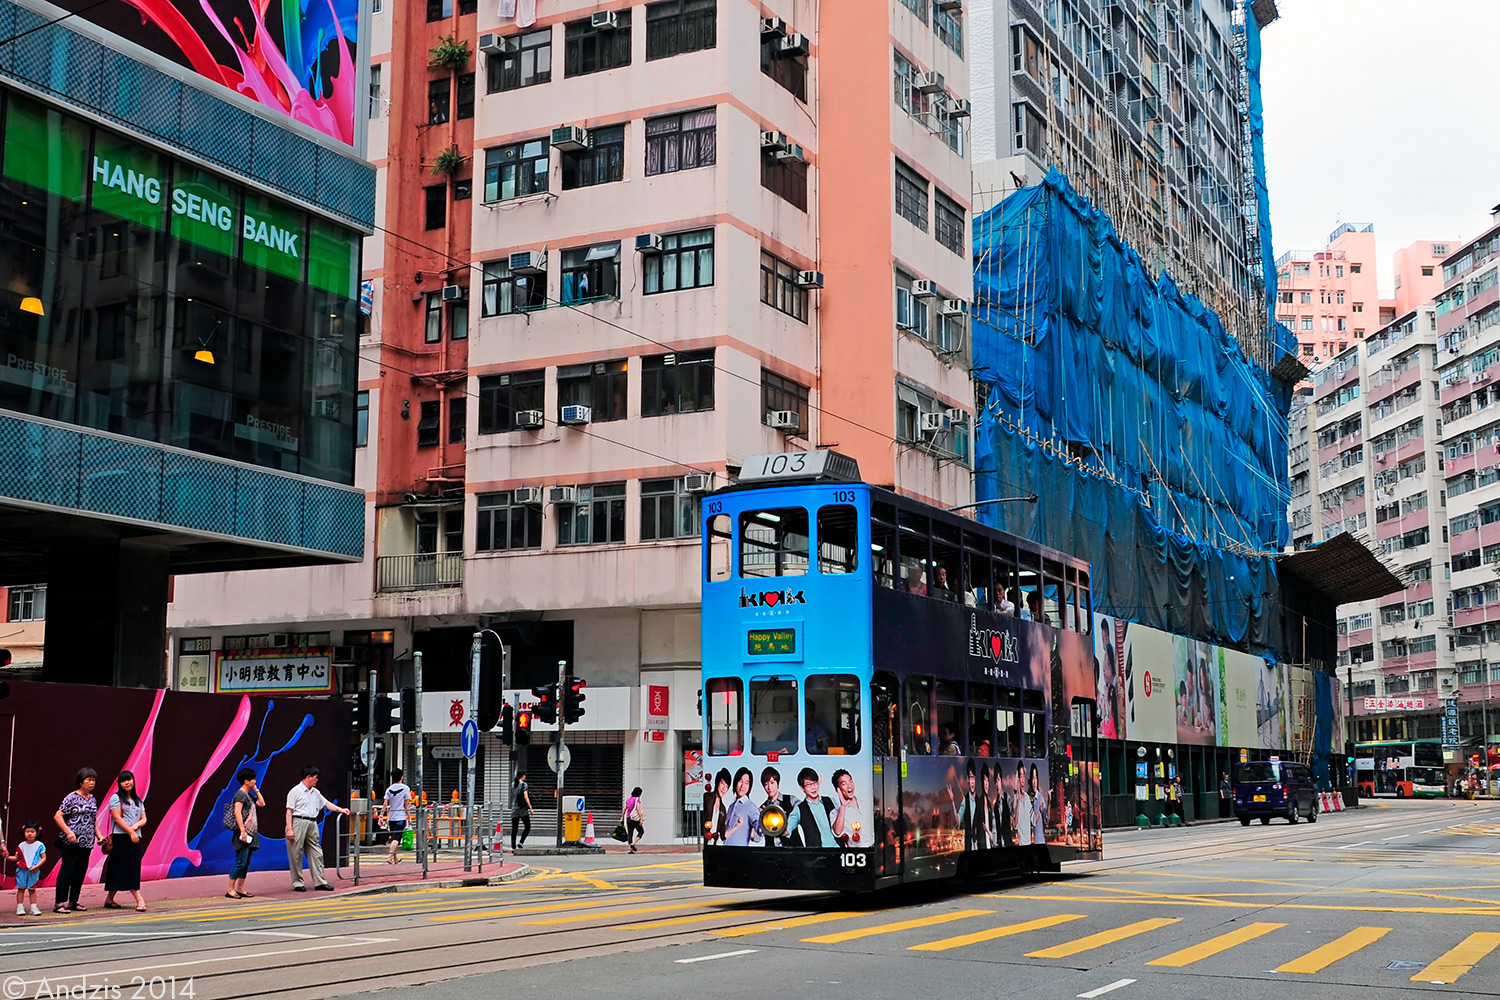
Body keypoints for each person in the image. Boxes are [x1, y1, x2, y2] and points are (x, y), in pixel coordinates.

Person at [285, 765, 350, 891]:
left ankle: (320, 881)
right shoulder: (295, 791)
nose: (317, 780)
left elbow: (326, 803)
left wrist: (341, 810)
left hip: (312, 822)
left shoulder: (316, 792)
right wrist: (289, 828)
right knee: (295, 853)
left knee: (316, 852)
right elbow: (289, 811)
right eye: (315, 777)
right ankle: (298, 882)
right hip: (298, 821)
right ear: (308, 777)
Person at [52, 767, 98, 913]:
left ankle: (73, 901)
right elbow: (58, 816)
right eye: (88, 780)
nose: (91, 783)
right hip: (72, 841)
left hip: (87, 841)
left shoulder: (92, 799)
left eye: (93, 780)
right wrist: (68, 832)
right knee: (67, 870)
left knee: (80, 871)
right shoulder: (71, 797)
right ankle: (59, 903)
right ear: (81, 782)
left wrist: (100, 835)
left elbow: (93, 820)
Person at [103, 770, 148, 912]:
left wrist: (136, 827)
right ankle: (139, 899)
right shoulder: (116, 798)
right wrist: (130, 831)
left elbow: (144, 818)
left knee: (132, 867)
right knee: (121, 867)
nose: (127, 783)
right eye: (123, 781)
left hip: (135, 837)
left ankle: (110, 899)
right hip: (121, 837)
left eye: (129, 779)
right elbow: (117, 818)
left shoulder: (138, 800)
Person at [227, 767, 263, 900]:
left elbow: (262, 803)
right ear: (246, 781)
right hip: (243, 833)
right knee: (240, 861)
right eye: (252, 779)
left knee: (246, 862)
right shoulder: (241, 794)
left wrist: (256, 790)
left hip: (251, 833)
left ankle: (241, 888)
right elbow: (237, 812)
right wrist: (242, 830)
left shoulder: (248, 794)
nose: (255, 781)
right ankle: (230, 889)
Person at [791, 768, 838, 848]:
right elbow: (788, 830)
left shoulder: (831, 800)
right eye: (809, 784)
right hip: (816, 856)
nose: (813, 787)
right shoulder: (799, 809)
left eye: (815, 783)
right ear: (802, 788)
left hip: (838, 852)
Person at [9, 822, 45, 916]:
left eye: (32, 832)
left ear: (37, 833)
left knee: (32, 889)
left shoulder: (40, 845)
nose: (29, 834)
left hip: (34, 870)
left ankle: (34, 907)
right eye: (27, 831)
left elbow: (44, 858)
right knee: (21, 889)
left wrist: (36, 866)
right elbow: (16, 858)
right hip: (22, 870)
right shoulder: (21, 845)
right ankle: (20, 907)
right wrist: (7, 857)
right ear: (24, 833)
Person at [757, 767, 796, 848]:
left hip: (793, 851)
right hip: (771, 854)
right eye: (766, 784)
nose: (769, 787)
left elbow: (805, 811)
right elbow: (757, 837)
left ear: (778, 783)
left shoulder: (790, 800)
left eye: (772, 783)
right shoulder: (762, 808)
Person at [831, 769, 868, 847]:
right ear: (838, 790)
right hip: (858, 853)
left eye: (850, 781)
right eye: (844, 784)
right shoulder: (835, 812)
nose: (849, 786)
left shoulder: (866, 803)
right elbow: (837, 832)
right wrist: (843, 807)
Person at [950, 759, 981, 851]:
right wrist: (952, 801)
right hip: (968, 845)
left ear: (975, 779)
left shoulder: (980, 801)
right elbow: (957, 821)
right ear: (967, 780)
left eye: (973, 778)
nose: (972, 782)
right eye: (970, 778)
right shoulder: (965, 801)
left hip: (979, 844)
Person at [722, 771, 759, 847]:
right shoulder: (731, 806)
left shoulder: (750, 806)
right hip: (725, 851)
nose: (742, 786)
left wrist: (752, 835)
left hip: (739, 853)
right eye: (740, 781)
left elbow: (759, 831)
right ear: (736, 782)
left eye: (746, 783)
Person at [383, 768, 412, 865]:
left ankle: (396, 860)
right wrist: (409, 817)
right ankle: (389, 857)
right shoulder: (405, 788)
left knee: (394, 838)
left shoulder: (389, 789)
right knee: (396, 839)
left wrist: (381, 816)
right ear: (402, 777)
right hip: (400, 817)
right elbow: (406, 805)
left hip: (391, 817)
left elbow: (385, 804)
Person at [703, 769, 731, 844]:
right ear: (717, 782)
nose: (724, 788)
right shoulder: (707, 797)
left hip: (714, 844)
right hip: (704, 841)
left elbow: (722, 833)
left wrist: (736, 827)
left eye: (727, 786)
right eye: (722, 783)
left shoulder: (723, 808)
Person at [510, 772, 533, 851]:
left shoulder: (513, 784)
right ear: (523, 776)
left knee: (514, 829)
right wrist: (530, 807)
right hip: (522, 809)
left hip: (514, 809)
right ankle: (521, 842)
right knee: (527, 826)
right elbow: (526, 797)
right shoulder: (524, 785)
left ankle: (513, 847)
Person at [1014, 761, 1033, 847]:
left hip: (1029, 843)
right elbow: (1015, 825)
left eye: (1023, 776)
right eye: (1020, 777)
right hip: (1021, 845)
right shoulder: (1015, 799)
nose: (1022, 780)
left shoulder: (1028, 798)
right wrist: (1017, 800)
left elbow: (1033, 820)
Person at [623, 786, 646, 852]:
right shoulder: (637, 799)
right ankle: (634, 843)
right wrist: (641, 819)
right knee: (641, 831)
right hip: (634, 819)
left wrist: (622, 817)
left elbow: (625, 809)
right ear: (639, 793)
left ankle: (630, 850)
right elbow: (638, 809)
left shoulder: (628, 799)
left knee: (630, 833)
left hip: (628, 818)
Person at [1030, 764, 1047, 844]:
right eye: (1032, 778)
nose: (1034, 781)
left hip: (1039, 842)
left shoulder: (1040, 797)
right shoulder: (1027, 798)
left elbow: (1046, 818)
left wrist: (1049, 802)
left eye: (1036, 778)